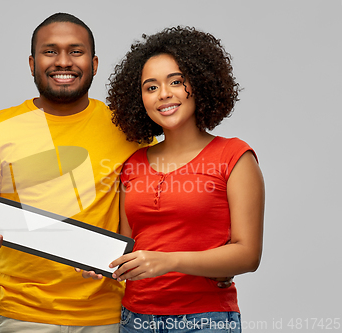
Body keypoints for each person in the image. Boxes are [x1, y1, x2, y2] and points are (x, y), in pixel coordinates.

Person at [0, 12, 148, 332]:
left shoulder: (129, 130)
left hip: (108, 315)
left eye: (75, 51)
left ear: (94, 63)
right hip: (23, 313)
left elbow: (159, 216)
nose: (63, 61)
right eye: (50, 51)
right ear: (31, 63)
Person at [84, 26, 265, 332]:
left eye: (176, 82)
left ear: (201, 83)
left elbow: (247, 255)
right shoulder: (133, 164)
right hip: (134, 320)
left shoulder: (234, 157)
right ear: (139, 98)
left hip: (205, 321)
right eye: (150, 87)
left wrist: (170, 261)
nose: (164, 94)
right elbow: (129, 248)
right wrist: (100, 264)